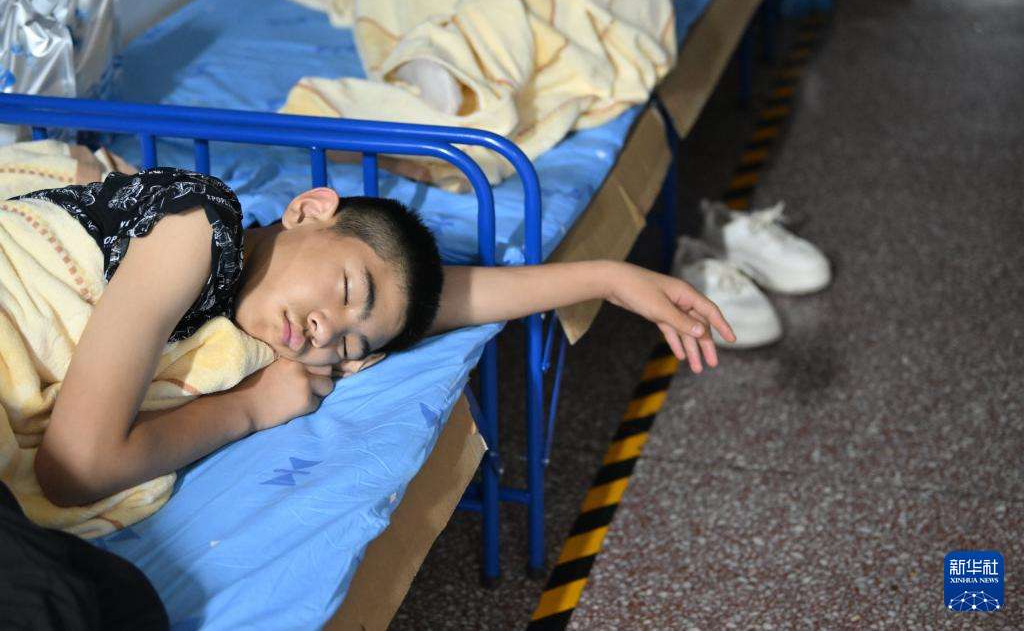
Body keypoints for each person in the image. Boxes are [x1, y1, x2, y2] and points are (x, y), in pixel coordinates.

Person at [1, 159, 733, 511]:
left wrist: (609, 277)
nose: (325, 333)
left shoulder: (256, 303)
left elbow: (440, 301)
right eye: (348, 289)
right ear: (307, 209)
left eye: (348, 348)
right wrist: (251, 407)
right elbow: (77, 468)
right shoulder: (197, 228)